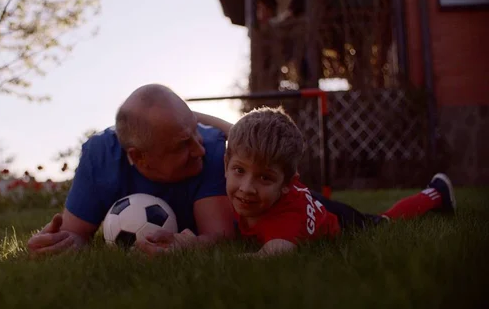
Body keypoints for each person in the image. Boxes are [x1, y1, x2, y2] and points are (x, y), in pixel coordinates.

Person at [158, 106, 456, 257]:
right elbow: (232, 132)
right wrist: (183, 113)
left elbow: (268, 257)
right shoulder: (256, 168)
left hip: (339, 221)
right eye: (239, 171)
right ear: (226, 164)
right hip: (299, 198)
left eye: (264, 177)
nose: (247, 187)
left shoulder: (284, 227)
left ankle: (437, 192)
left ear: (287, 180)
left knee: (384, 222)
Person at [27, 84, 235, 256]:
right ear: (138, 156)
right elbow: (76, 234)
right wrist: (57, 242)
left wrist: (190, 246)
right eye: (182, 145)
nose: (199, 150)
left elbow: (220, 237)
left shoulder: (213, 149)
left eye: (195, 130)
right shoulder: (101, 155)